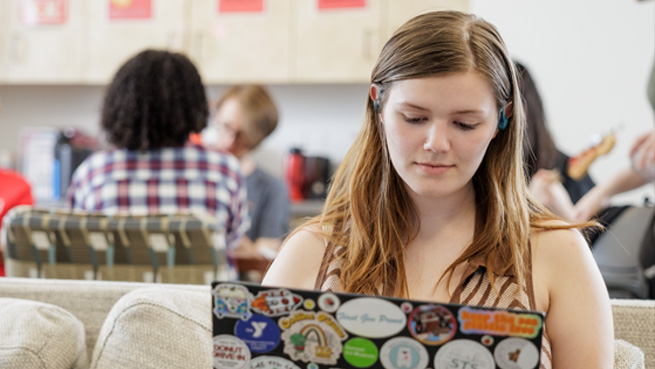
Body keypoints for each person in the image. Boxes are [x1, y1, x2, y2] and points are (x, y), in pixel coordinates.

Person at [263, 10, 613, 368]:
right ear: (378, 105)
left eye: (465, 124)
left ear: (500, 121)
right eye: (414, 118)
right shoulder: (311, 250)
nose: (436, 143)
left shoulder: (558, 254)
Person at [68, 49, 249, 259]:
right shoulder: (225, 170)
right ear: (194, 103)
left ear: (121, 103)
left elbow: (78, 248)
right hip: (201, 292)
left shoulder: (93, 172)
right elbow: (232, 241)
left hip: (120, 292)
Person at [212, 85, 290, 261]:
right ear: (215, 115)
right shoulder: (199, 175)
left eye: (242, 135)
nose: (230, 141)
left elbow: (267, 255)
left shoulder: (272, 189)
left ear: (258, 138)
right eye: (225, 126)